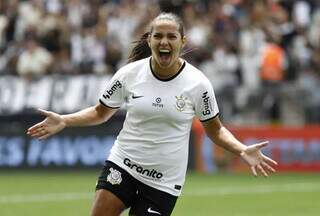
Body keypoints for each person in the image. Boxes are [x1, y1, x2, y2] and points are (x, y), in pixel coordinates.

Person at [27, 13, 278, 216]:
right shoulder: (129, 74)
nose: (164, 42)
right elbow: (100, 113)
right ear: (149, 40)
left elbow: (216, 129)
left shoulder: (198, 84)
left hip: (163, 183)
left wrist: (241, 149)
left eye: (171, 36)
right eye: (158, 36)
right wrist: (64, 120)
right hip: (123, 165)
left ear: (182, 41)